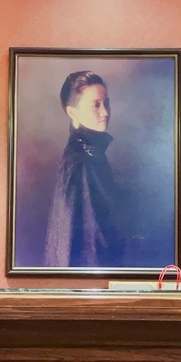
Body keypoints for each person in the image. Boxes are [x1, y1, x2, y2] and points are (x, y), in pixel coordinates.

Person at [43, 70, 124, 267]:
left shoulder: (91, 154)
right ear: (73, 113)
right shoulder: (81, 160)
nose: (105, 112)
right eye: (96, 105)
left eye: (106, 103)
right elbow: (87, 239)